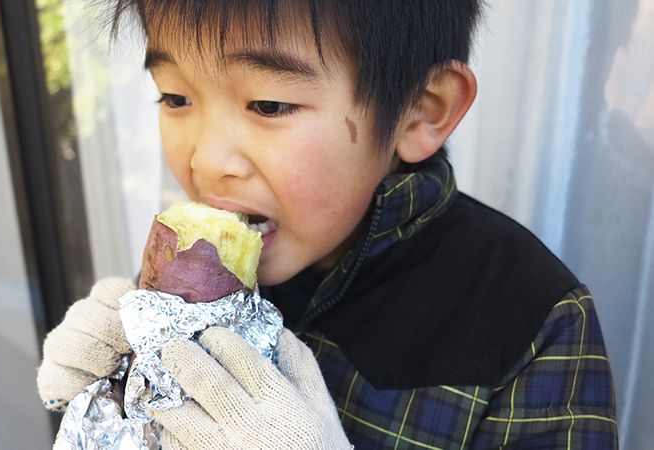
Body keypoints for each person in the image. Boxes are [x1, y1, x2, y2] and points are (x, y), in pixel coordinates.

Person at [37, 0, 618, 448]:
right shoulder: (196, 278)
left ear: (422, 110)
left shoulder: (532, 322)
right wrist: (108, 396)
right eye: (174, 97)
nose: (206, 161)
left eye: (267, 105)